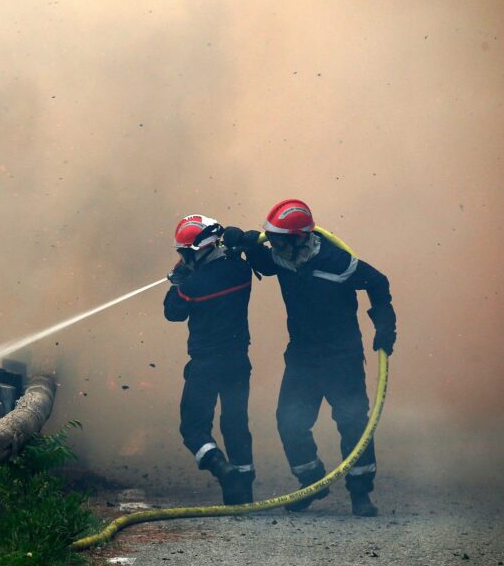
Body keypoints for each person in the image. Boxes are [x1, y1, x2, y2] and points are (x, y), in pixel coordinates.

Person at [223, 199, 396, 517]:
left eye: (278, 238)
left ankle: (360, 493)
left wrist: (385, 325)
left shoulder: (336, 262)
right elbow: (264, 262)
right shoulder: (282, 256)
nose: (273, 244)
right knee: (289, 421)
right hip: (302, 356)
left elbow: (377, 282)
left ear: (300, 237)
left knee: (352, 421)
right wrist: (243, 241)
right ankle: (312, 480)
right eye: (270, 238)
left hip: (342, 356)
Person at [163, 214, 257, 505]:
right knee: (235, 424)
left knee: (193, 427)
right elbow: (238, 262)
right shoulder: (241, 271)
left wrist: (178, 281)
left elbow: (173, 312)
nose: (182, 257)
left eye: (184, 252)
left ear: (199, 249)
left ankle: (221, 468)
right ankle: (243, 492)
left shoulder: (194, 285)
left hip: (205, 365)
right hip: (238, 362)